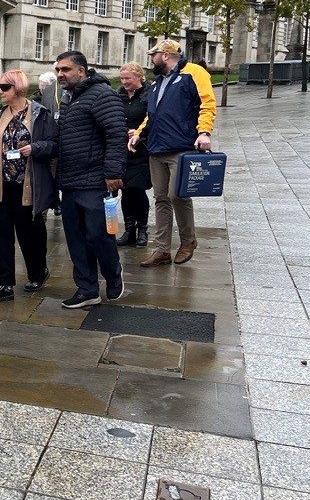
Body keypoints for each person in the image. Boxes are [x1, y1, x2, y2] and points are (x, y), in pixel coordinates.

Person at [0, 69, 58, 304]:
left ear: (18, 88)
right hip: (1, 185)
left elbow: (54, 145)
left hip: (29, 186)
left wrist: (36, 148)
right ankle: (3, 283)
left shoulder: (40, 114)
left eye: (4, 87)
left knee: (30, 235)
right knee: (2, 236)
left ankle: (38, 272)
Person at [129, 39, 217, 267]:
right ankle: (162, 250)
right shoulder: (157, 83)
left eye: (154, 55)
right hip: (156, 147)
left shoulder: (194, 73)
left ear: (165, 55)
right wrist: (139, 133)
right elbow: (152, 115)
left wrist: (204, 132)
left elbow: (207, 104)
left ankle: (188, 241)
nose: (151, 59)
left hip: (182, 146)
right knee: (161, 198)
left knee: (177, 195)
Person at [54, 51, 127, 309]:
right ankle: (87, 290)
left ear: (81, 71)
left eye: (65, 69)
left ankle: (113, 274)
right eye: (57, 70)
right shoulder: (68, 99)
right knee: (76, 240)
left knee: (100, 235)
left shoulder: (102, 95)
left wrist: (113, 173)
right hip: (70, 182)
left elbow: (116, 134)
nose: (60, 74)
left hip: (97, 183)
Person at [116, 62, 152, 247]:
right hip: (122, 150)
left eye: (128, 78)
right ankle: (129, 229)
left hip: (141, 150)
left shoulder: (149, 94)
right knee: (125, 190)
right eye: (122, 78)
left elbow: (154, 119)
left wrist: (140, 133)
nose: (124, 82)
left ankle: (142, 229)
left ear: (139, 76)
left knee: (137, 189)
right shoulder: (118, 95)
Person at [35, 71, 62, 216]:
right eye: (41, 85)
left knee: (54, 174)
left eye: (45, 86)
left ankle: (55, 201)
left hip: (55, 143)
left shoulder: (58, 97)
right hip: (42, 144)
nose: (42, 88)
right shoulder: (35, 100)